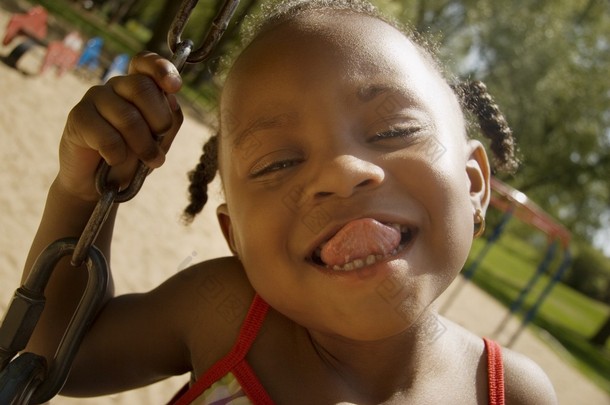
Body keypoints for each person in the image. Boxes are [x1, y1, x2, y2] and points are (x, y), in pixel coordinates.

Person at [19, 0, 557, 403]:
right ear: (237, 241)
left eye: (394, 130)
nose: (341, 173)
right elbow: (59, 356)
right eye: (277, 163)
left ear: (474, 185)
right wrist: (81, 191)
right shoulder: (222, 315)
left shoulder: (511, 392)